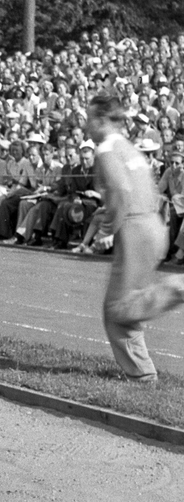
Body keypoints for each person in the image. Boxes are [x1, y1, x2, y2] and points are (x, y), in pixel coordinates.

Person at [86, 92, 184, 383]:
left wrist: (108, 230)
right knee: (125, 308)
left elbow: (121, 190)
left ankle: (177, 288)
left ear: (101, 120)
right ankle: (142, 376)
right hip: (152, 225)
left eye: (89, 119)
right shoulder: (129, 147)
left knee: (118, 309)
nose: (87, 125)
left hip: (135, 230)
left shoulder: (106, 149)